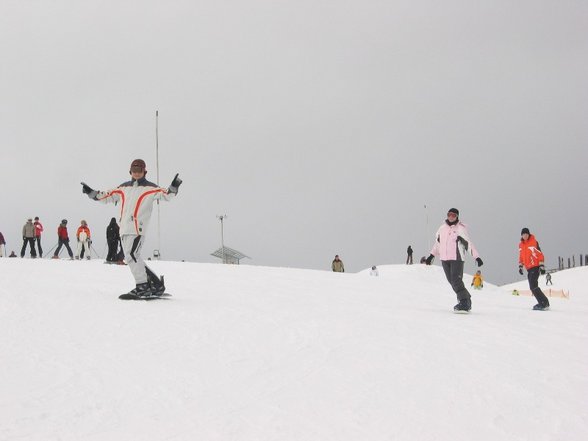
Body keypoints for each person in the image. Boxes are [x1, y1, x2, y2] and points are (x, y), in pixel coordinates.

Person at [82, 159, 182, 297]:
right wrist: (92, 193)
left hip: (137, 227)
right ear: (130, 171)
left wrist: (173, 187)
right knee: (133, 256)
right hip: (124, 228)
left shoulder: (150, 188)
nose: (136, 173)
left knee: (132, 255)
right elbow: (107, 196)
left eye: (139, 171)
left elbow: (166, 195)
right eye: (134, 170)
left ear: (144, 172)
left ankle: (142, 286)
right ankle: (155, 284)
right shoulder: (124, 188)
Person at [425, 208, 483, 312]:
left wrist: (476, 257)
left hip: (457, 258)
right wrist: (431, 255)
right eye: (449, 214)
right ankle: (466, 299)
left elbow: (468, 244)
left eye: (453, 215)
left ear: (457, 217)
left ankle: (464, 302)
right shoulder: (442, 229)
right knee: (451, 281)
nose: (451, 217)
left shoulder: (460, 229)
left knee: (456, 280)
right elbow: (438, 244)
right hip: (444, 259)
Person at [519, 228, 550, 311]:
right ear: (521, 235)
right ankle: (543, 302)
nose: (525, 235)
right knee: (532, 287)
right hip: (528, 268)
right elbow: (521, 257)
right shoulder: (521, 245)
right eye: (523, 234)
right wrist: (520, 266)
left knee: (533, 285)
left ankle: (544, 303)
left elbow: (539, 254)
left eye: (526, 234)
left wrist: (542, 266)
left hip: (535, 266)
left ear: (529, 234)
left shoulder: (534, 242)